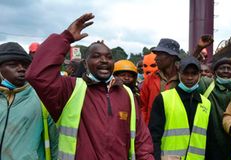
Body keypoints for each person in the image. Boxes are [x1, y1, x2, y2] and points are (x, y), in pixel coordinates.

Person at [26, 13, 154, 159]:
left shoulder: (126, 94)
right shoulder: (69, 89)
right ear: (85, 64)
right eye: (96, 56)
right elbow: (37, 75)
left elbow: (141, 140)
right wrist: (65, 38)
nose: (104, 60)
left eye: (109, 57)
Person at [0, 42, 58, 159]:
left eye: (25, 65)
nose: (21, 69)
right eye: (13, 64)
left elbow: (55, 143)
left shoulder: (43, 97)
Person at [149, 56, 214, 159]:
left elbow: (210, 140)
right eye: (185, 73)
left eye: (193, 73)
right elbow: (154, 136)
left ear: (200, 75)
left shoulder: (206, 103)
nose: (189, 77)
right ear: (179, 74)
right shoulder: (163, 99)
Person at [198, 57, 231, 160]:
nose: (226, 71)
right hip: (212, 137)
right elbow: (189, 73)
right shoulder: (206, 84)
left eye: (229, 68)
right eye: (222, 68)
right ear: (215, 72)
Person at [140, 38, 181, 125]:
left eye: (160, 54)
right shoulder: (150, 79)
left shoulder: (182, 80)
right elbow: (143, 107)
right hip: (153, 130)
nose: (156, 58)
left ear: (172, 57)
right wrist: (144, 129)